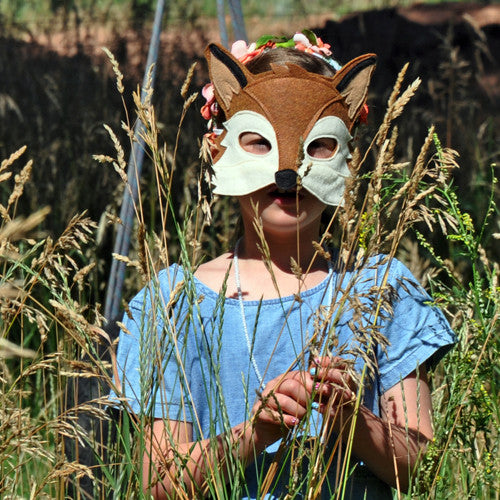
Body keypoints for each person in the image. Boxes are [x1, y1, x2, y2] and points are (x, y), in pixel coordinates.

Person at [110, 31, 456, 499]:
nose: (287, 171)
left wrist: (354, 422)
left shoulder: (380, 288)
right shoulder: (173, 305)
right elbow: (158, 482)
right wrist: (255, 431)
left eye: (318, 146)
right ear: (219, 148)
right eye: (258, 142)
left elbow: (423, 466)